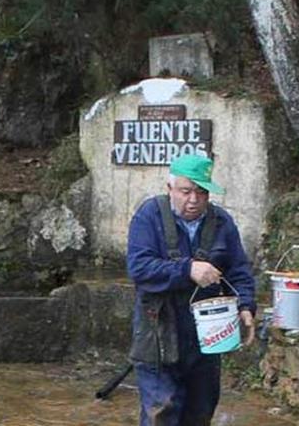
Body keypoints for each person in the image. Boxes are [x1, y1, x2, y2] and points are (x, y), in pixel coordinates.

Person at [126, 154, 256, 426]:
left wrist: (245, 305)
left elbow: (239, 270)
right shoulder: (148, 216)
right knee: (161, 411)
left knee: (200, 412)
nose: (194, 200)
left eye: (201, 192)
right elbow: (139, 269)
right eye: (186, 191)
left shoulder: (222, 222)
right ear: (170, 188)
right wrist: (188, 270)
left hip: (207, 335)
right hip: (157, 330)